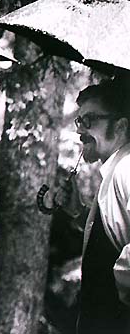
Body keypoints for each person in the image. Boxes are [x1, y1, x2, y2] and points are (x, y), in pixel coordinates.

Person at [54, 76, 130, 334]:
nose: (79, 130)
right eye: (79, 120)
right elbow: (114, 231)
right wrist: (78, 211)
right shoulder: (115, 169)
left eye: (89, 121)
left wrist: (115, 290)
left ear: (120, 126)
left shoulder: (126, 171)